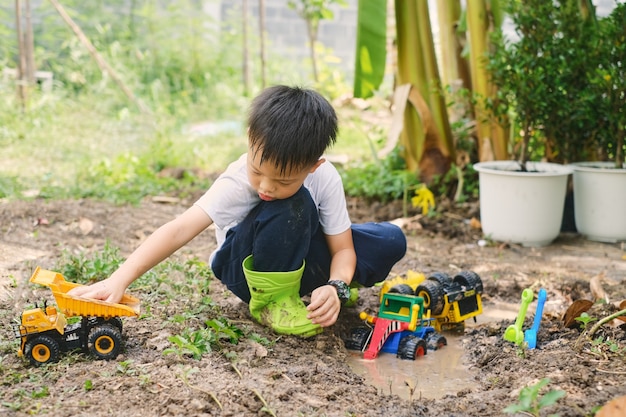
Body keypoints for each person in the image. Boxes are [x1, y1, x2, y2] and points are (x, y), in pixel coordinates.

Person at [69, 85, 407, 338]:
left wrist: (337, 286)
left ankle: (317, 297)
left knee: (389, 239)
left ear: (314, 166)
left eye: (283, 179)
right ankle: (272, 302)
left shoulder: (326, 178)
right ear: (249, 139)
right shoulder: (235, 183)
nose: (265, 187)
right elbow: (179, 228)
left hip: (296, 255)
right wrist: (118, 279)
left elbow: (343, 248)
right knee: (293, 203)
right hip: (243, 266)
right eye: (257, 170)